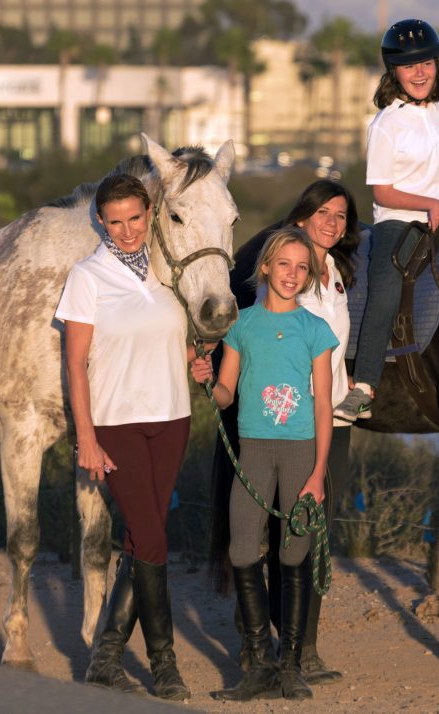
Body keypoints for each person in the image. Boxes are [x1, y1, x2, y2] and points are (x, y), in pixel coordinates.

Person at [56, 173, 197, 700]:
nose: (127, 230)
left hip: (173, 418)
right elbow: (76, 365)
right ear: (100, 221)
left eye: (135, 218)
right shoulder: (87, 276)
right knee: (152, 538)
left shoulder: (165, 275)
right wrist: (86, 439)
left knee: (144, 539)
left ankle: (106, 657)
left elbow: (157, 342)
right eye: (115, 221)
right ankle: (164, 665)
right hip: (116, 424)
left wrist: (192, 362)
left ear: (149, 214)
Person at [192, 228, 338, 701]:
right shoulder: (243, 324)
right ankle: (257, 662)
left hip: (300, 452)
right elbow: (227, 394)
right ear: (266, 268)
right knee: (241, 552)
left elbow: (322, 407)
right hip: (252, 449)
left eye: (302, 267)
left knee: (294, 555)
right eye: (284, 265)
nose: (292, 275)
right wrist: (206, 379)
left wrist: (318, 474)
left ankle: (291, 665)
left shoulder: (316, 330)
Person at [333, 18, 439, 423]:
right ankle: (363, 386)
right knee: (386, 285)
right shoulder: (385, 124)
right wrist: (431, 203)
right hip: (399, 220)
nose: (420, 72)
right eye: (410, 65)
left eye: (427, 62)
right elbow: (383, 191)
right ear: (393, 71)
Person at [245, 181, 360, 684]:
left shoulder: (335, 273)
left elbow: (329, 345)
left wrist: (346, 377)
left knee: (313, 533)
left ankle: (303, 647)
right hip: (287, 424)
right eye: (322, 211)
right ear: (302, 215)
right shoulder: (284, 268)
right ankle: (262, 647)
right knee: (275, 534)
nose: (332, 222)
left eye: (341, 215)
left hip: (332, 418)